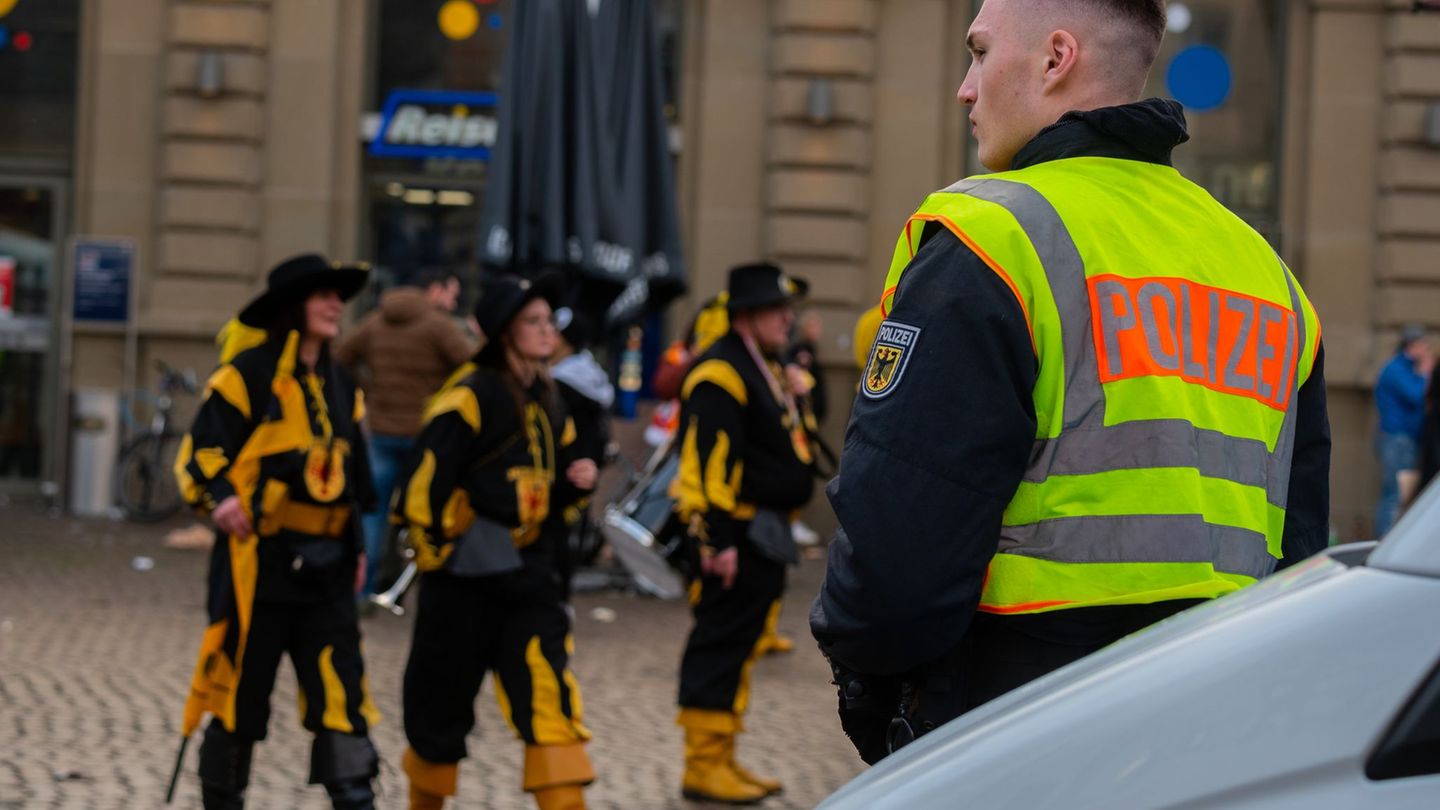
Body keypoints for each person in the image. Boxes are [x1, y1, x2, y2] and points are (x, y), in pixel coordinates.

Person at [811, 0, 1332, 765]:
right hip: (1211, 733)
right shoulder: (1267, 273)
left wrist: (881, 695)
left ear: (1056, 58)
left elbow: (899, 550)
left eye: (980, 52)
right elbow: (1303, 554)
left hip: (1019, 721)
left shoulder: (991, 239)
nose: (964, 87)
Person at [174, 254, 381, 809]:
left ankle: (355, 799)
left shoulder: (342, 383)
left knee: (341, 696)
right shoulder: (246, 375)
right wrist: (222, 500)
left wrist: (358, 548)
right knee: (239, 697)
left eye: (339, 296)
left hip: (329, 571)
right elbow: (200, 457)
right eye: (323, 295)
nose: (336, 305)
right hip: (257, 567)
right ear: (294, 305)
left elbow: (355, 482)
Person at [394, 273, 598, 810]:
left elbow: (555, 487)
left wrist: (577, 484)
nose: (547, 330)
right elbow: (421, 489)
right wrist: (441, 553)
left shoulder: (550, 397)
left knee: (549, 700)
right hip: (463, 583)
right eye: (533, 321)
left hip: (529, 578)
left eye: (549, 321)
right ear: (505, 331)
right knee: (439, 708)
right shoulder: (467, 396)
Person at [671, 262, 816, 804]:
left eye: (788, 309)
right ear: (747, 315)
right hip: (736, 534)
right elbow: (705, 467)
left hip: (760, 533)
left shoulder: (762, 366)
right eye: (777, 310)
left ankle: (722, 756)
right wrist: (718, 541)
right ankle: (703, 764)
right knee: (720, 645)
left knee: (739, 646)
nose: (788, 319)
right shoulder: (720, 372)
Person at [333, 268, 477, 599]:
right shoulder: (439, 326)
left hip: (381, 430)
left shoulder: (374, 321)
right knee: (425, 513)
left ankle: (362, 591)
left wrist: (368, 388)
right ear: (434, 290)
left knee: (373, 512)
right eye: (451, 293)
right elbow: (472, 365)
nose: (453, 302)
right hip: (425, 435)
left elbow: (340, 357)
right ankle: (425, 588)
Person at [548, 307, 615, 576]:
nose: (547, 334)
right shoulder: (587, 372)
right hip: (586, 460)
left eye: (554, 330)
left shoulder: (565, 380)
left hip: (574, 463)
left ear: (566, 341)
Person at [1373, 325, 1432, 535]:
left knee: (1399, 493)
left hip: (1402, 437)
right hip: (1396, 438)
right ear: (1412, 346)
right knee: (1395, 493)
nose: (1426, 350)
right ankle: (1385, 541)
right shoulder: (1396, 369)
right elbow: (1416, 395)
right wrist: (1425, 374)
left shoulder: (1403, 368)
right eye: (1423, 345)